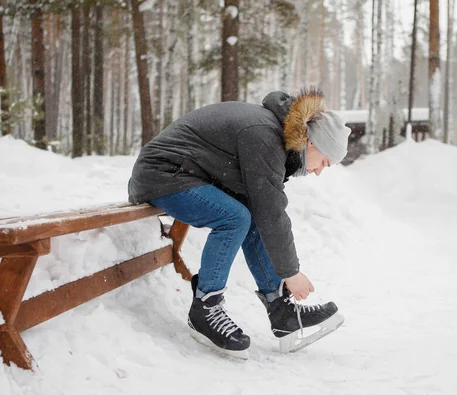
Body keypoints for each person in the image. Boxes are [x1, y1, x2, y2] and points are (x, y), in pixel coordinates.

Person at [128, 88, 350, 359]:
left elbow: (264, 209)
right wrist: (291, 272)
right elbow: (272, 212)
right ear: (312, 142)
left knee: (250, 213)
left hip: (187, 174)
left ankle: (281, 312)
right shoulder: (265, 135)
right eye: (324, 163)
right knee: (235, 217)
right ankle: (205, 308)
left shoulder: (274, 135)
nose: (318, 171)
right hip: (162, 174)